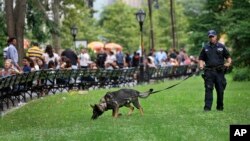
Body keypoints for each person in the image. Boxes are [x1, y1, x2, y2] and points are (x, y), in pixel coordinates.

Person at [199, 30, 232, 111]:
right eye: (210, 37)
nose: (211, 38)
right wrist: (201, 64)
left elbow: (228, 57)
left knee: (220, 90)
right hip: (209, 72)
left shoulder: (221, 46)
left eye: (212, 36)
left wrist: (228, 63)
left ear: (216, 36)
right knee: (208, 89)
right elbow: (201, 58)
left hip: (219, 72)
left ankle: (220, 107)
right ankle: (207, 108)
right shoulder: (205, 47)